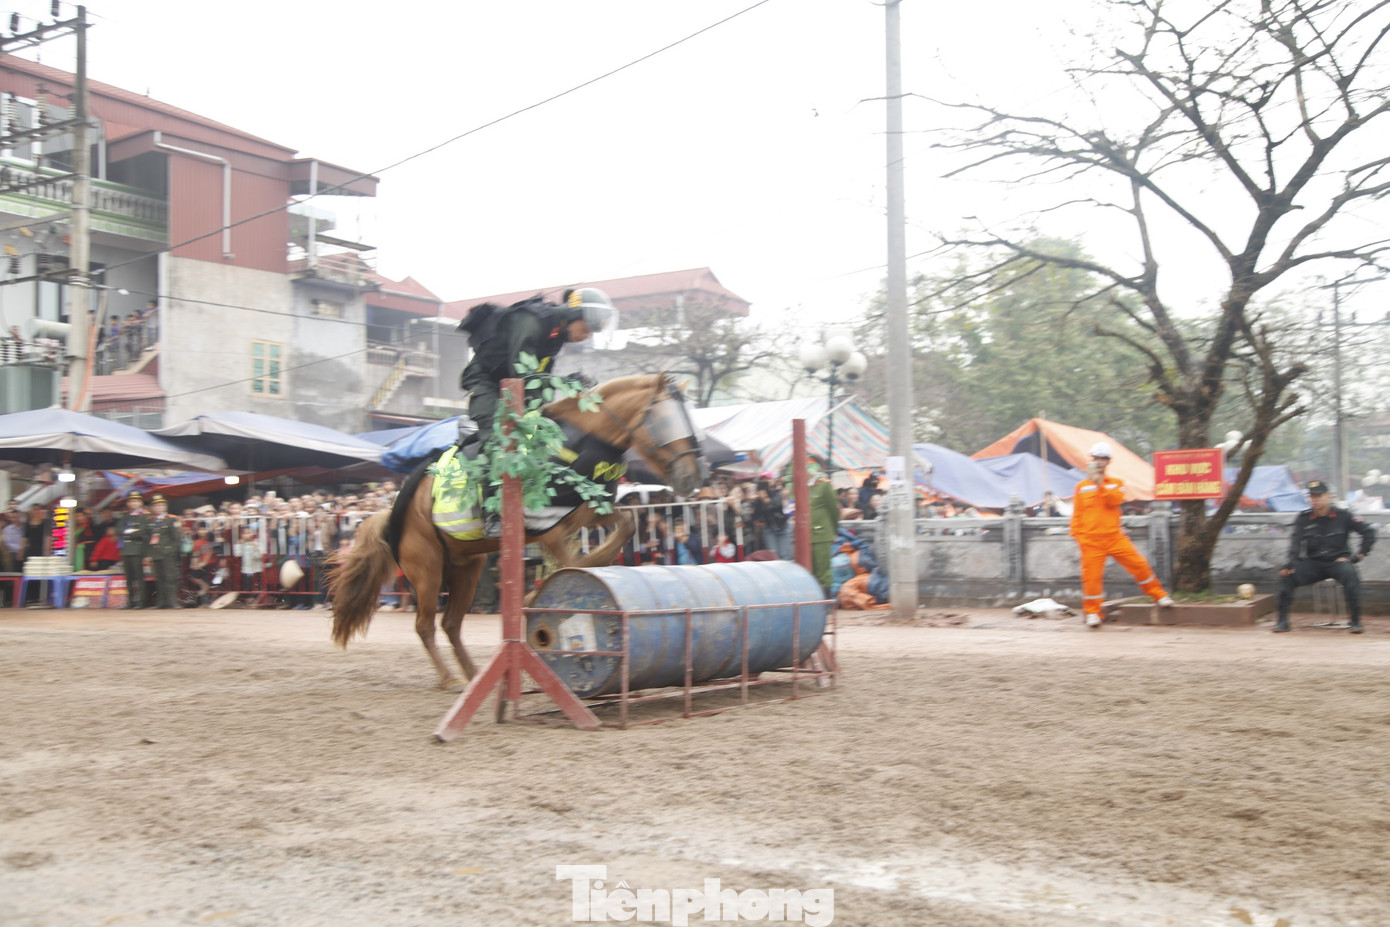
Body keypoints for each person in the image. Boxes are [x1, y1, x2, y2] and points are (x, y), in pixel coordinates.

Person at [456, 287, 616, 536]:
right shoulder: (531, 320)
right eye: (585, 328)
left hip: (516, 387)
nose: (585, 336)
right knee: (499, 438)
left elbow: (540, 376)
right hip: (487, 383)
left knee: (545, 434)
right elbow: (523, 372)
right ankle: (493, 514)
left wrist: (548, 408)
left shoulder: (556, 333)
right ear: (573, 315)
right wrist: (567, 382)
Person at [1071, 442, 1173, 628]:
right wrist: (1078, 535)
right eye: (1096, 459)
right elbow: (1077, 514)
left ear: (1108, 461)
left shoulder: (1117, 484)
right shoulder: (1081, 487)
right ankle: (1093, 612)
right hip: (1091, 541)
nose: (1099, 462)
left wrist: (1099, 482)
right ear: (1091, 460)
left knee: (1139, 565)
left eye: (1103, 459)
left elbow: (1114, 502)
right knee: (1091, 578)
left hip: (1115, 537)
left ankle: (1159, 595)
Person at [1274, 479, 1376, 634]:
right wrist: (1290, 564)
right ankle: (1282, 622)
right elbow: (1295, 543)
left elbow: (1368, 533)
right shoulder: (1304, 518)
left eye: (1319, 496)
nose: (1315, 500)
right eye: (1312, 496)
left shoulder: (1344, 516)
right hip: (1313, 562)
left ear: (1328, 496)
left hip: (1338, 562)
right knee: (1286, 576)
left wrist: (1357, 557)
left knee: (1351, 575)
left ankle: (1355, 622)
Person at [808, 462, 841, 594]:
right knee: (810, 572)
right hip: (806, 536)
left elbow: (834, 510)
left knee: (823, 572)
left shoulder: (824, 485)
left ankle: (825, 604)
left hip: (821, 533)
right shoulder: (800, 487)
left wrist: (833, 531)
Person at [117, 491, 152, 608]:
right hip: (126, 549)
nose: (133, 503)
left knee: (139, 577)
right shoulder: (125, 516)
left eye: (136, 501)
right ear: (127, 503)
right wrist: (130, 532)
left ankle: (142, 601)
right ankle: (131, 601)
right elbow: (118, 530)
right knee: (129, 578)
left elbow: (142, 532)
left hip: (138, 549)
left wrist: (127, 533)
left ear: (141, 502)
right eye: (131, 501)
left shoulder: (145, 516)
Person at [146, 493, 181, 609]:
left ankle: (173, 601)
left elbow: (175, 538)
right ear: (152, 508)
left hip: (166, 553)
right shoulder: (150, 520)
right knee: (159, 578)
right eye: (156, 506)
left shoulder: (170, 520)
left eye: (162, 505)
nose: (159, 508)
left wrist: (171, 550)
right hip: (155, 553)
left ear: (165, 507)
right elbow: (148, 538)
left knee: (169, 578)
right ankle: (161, 602)